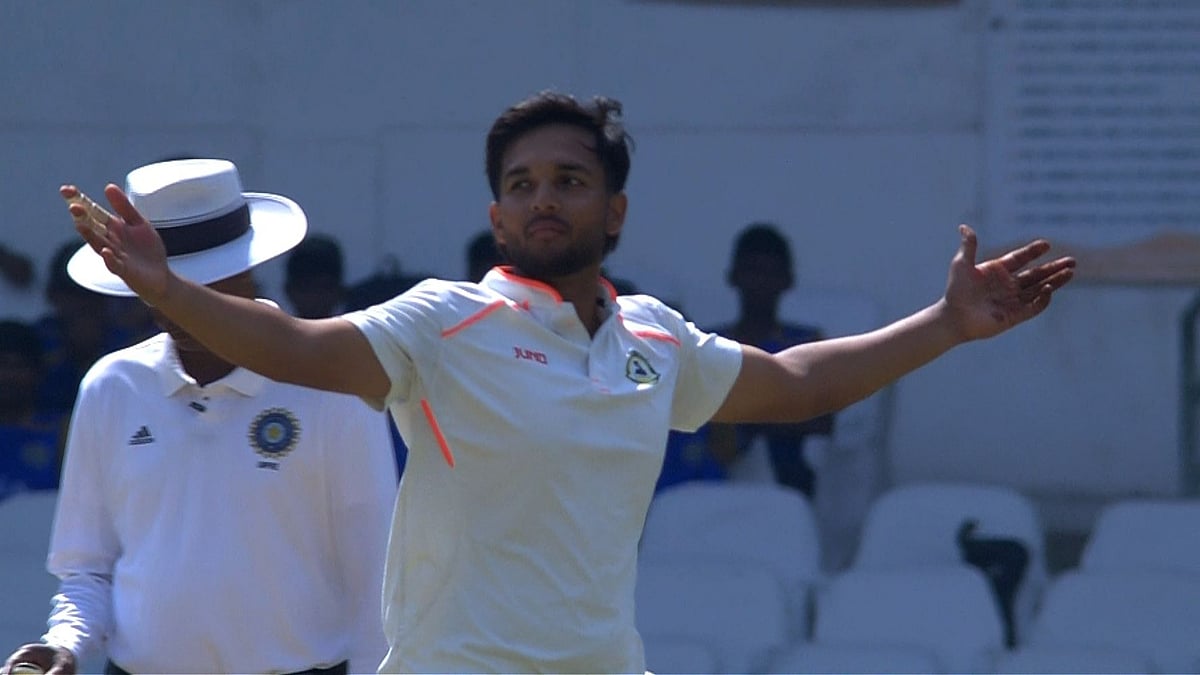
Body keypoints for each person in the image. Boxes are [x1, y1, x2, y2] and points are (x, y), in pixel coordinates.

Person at [56, 91, 1075, 674]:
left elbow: (798, 385)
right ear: (497, 218)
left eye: (570, 181)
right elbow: (300, 350)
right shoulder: (443, 322)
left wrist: (946, 323)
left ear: (616, 212)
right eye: (521, 185)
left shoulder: (652, 339)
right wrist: (166, 287)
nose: (544, 200)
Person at [4, 159, 396, 675]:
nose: (183, 302)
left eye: (206, 282)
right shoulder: (111, 386)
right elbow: (87, 570)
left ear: (251, 266)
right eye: (164, 284)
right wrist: (66, 644)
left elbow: (379, 582)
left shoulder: (333, 386)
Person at [709, 222, 835, 498]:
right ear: (734, 276)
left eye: (770, 273)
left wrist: (753, 419)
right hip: (707, 478)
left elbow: (824, 421)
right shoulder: (708, 342)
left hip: (784, 481)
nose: (760, 283)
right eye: (752, 271)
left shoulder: (805, 344)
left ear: (787, 280)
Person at [0, 319, 65, 502]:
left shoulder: (62, 433)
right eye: (2, 364)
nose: (9, 376)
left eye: (18, 366)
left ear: (38, 373)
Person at [284, 233, 347, 319]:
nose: (315, 297)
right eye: (306, 287)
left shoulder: (358, 331)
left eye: (324, 287)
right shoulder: (267, 332)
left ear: (340, 292)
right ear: (289, 290)